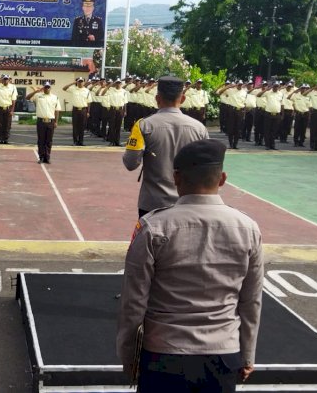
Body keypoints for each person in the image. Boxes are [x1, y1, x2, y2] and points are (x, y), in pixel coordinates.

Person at [117, 138, 263, 392]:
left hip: (163, 352)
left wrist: (130, 358)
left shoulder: (154, 227)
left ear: (176, 178)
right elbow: (251, 301)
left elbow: (134, 302)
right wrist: (247, 355)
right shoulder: (247, 228)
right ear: (222, 179)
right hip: (222, 354)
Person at [123, 76, 208, 218]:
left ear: (157, 99)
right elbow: (205, 169)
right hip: (187, 203)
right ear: (182, 99)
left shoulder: (143, 125)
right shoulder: (199, 128)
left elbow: (130, 163)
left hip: (153, 203)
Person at [26, 81, 61, 164]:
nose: (47, 88)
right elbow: (27, 98)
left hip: (50, 121)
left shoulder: (55, 97)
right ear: (43, 87)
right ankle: (41, 157)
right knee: (41, 140)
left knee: (49, 141)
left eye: (48, 87)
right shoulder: (38, 96)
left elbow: (57, 110)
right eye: (45, 87)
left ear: (50, 88)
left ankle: (47, 157)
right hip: (41, 121)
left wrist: (56, 121)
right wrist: (36, 91)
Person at [63, 77, 91, 146]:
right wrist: (73, 83)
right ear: (77, 82)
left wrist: (88, 112)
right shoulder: (73, 89)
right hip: (75, 110)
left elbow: (89, 102)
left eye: (82, 81)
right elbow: (64, 88)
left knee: (82, 126)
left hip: (83, 110)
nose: (80, 82)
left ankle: (81, 141)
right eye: (79, 81)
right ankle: (75, 141)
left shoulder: (87, 91)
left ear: (84, 82)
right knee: (75, 126)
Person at [101, 78, 128, 146]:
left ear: (121, 84)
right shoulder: (111, 90)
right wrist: (109, 85)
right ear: (115, 83)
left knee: (118, 126)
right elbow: (103, 93)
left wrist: (125, 111)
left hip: (120, 109)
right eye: (117, 83)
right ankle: (111, 141)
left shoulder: (124, 91)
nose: (118, 84)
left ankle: (117, 141)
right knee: (112, 126)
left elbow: (125, 102)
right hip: (112, 109)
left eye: (119, 83)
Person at [258, 81, 285, 150]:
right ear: (272, 86)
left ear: (279, 87)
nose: (276, 87)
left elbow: (282, 104)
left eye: (277, 86)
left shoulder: (281, 94)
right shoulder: (268, 92)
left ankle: (272, 145)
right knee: (267, 130)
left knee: (274, 131)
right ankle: (267, 145)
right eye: (275, 86)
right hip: (268, 113)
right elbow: (258, 95)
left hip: (277, 114)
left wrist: (282, 114)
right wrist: (266, 90)